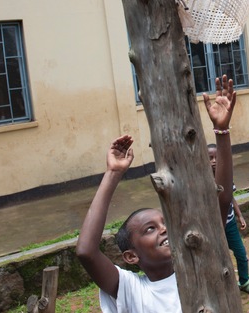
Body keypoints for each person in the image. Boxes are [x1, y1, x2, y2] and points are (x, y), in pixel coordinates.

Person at [76, 76, 236, 313]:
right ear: (131, 257)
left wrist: (222, 131)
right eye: (150, 229)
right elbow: (86, 252)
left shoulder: (198, 261)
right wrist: (113, 173)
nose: (163, 229)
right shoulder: (132, 291)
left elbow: (221, 203)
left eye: (164, 222)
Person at [208, 144, 249, 296]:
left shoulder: (226, 176)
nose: (214, 161)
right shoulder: (201, 181)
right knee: (216, 257)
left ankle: (244, 281)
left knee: (241, 253)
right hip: (213, 227)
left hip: (229, 224)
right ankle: (217, 287)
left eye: (217, 157)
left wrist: (239, 215)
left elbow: (230, 197)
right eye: (210, 158)